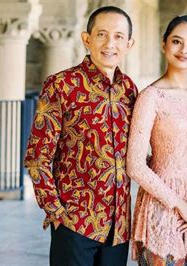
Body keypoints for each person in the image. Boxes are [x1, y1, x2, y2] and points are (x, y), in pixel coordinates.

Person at [24, 6, 136, 266]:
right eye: (102, 35)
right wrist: (55, 211)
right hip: (74, 223)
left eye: (119, 36)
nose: (110, 44)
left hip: (118, 227)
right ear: (87, 39)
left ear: (129, 44)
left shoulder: (130, 90)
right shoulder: (61, 85)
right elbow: (37, 156)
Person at [126, 15, 187, 265]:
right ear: (164, 44)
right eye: (176, 41)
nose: (184, 50)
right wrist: (180, 206)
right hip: (163, 207)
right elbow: (134, 164)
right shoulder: (150, 97)